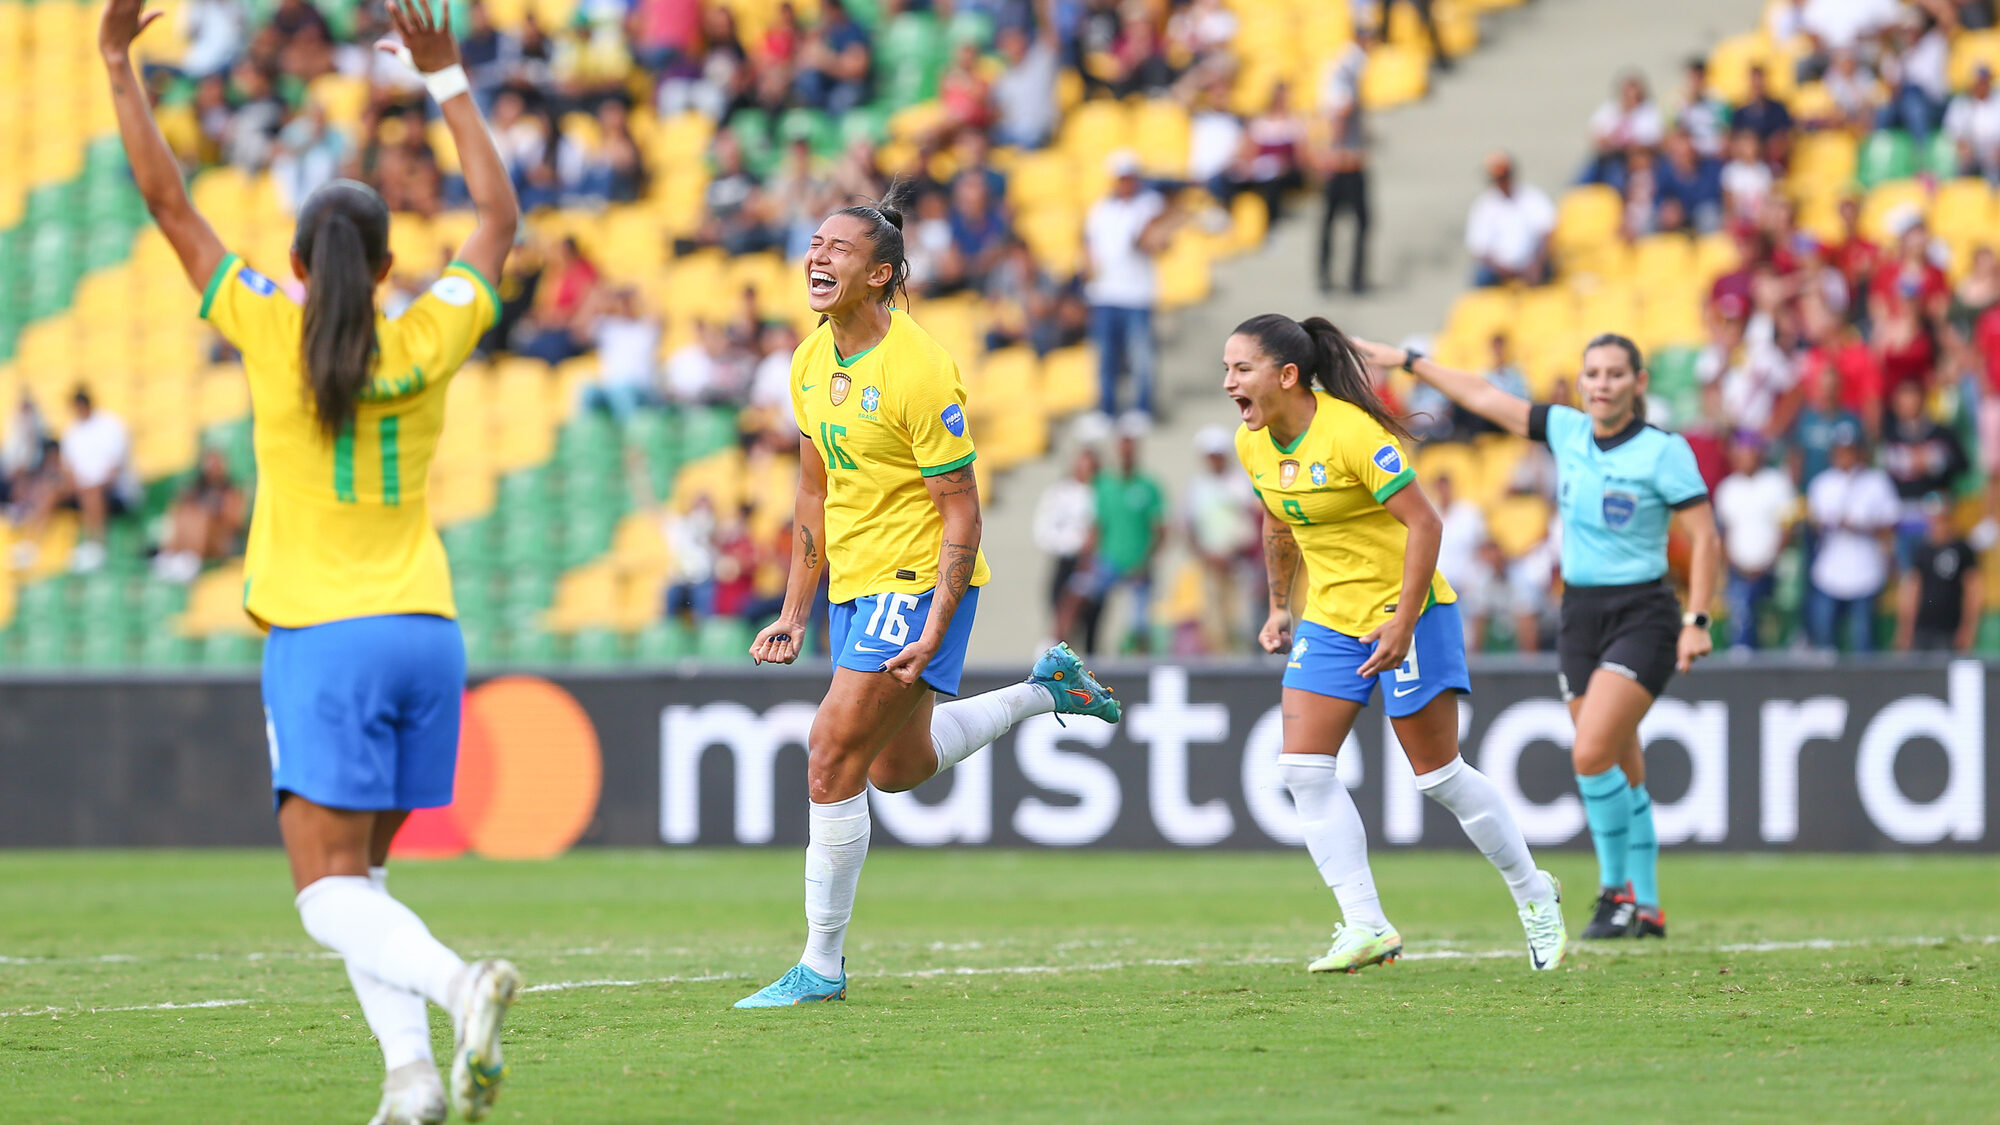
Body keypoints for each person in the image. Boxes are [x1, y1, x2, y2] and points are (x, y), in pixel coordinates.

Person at [100, 0, 523, 1120]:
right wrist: (444, 80)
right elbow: (497, 217)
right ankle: (411, 1082)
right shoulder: (428, 336)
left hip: (323, 640)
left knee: (323, 894)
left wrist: (111, 60)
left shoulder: (266, 329)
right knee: (365, 880)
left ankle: (459, 985)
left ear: (294, 262)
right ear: (388, 268)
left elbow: (167, 201)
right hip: (426, 635)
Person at [736, 187, 1122, 1009]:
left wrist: (938, 622)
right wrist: (795, 609)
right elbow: (812, 494)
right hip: (856, 584)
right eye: (813, 244)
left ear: (880, 275)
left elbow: (963, 509)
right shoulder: (808, 361)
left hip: (915, 580)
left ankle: (821, 966)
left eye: (837, 249)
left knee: (831, 751)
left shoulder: (917, 367)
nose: (817, 258)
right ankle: (1042, 690)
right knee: (898, 766)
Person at [1225, 313, 1566, 973]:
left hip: (1407, 611)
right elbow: (1277, 519)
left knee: (1439, 775)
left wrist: (1404, 620)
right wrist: (1276, 605)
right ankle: (1366, 924)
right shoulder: (1254, 443)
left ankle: (1534, 893)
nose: (1229, 382)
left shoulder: (1353, 432)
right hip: (1330, 619)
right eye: (1226, 369)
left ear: (1287, 375)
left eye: (1241, 368)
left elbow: (1425, 524)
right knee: (1302, 769)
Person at [1356, 332, 1721, 943]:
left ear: (1638, 384)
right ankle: (1649, 906)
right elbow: (1481, 394)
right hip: (1579, 614)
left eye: (1614, 374)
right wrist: (1411, 362)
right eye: (1592, 373)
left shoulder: (1664, 452)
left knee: (1590, 754)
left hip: (1645, 613)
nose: (1601, 384)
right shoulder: (1566, 431)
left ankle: (1615, 896)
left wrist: (1698, 620)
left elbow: (1706, 537)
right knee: (1619, 760)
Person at [1084, 151, 1188, 418]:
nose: (1126, 183)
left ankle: (1142, 408)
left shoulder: (1150, 204)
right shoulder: (1101, 209)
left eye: (1130, 178)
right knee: (1106, 358)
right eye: (1122, 178)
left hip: (1137, 294)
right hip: (1104, 293)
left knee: (1141, 357)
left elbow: (1156, 242)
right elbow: (1089, 247)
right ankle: (1107, 409)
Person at [1804, 425, 1899, 652]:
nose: (1845, 456)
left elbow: (1890, 525)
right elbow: (1813, 525)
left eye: (1850, 451)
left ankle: (1866, 688)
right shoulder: (1822, 483)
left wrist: (1860, 527)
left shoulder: (1877, 482)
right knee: (1824, 641)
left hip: (1865, 570)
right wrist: (1827, 524)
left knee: (1863, 641)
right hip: (1830, 570)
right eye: (1840, 451)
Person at [1082, 415, 1165, 655]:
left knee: (1140, 623)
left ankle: (1138, 665)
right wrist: (1091, 560)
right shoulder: (1105, 485)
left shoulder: (1148, 486)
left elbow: (1159, 530)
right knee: (1092, 610)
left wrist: (1146, 561)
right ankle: (1092, 657)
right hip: (1109, 561)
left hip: (1138, 563)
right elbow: (1098, 526)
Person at [1712, 432, 1797, 650]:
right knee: (1741, 601)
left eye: (1747, 452)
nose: (1742, 458)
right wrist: (1733, 562)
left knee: (1753, 602)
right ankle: (1742, 650)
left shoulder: (1776, 483)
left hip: (1772, 567)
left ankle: (1750, 649)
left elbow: (1787, 528)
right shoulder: (1728, 488)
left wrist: (1768, 562)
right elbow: (1724, 532)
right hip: (1738, 568)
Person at [1183, 425, 1259, 653]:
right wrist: (1206, 555)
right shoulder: (1197, 486)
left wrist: (1234, 552)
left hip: (1238, 562)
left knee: (1239, 618)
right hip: (1210, 563)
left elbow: (1252, 523)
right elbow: (1190, 526)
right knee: (1213, 621)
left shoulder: (1240, 482)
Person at [1314, 28, 1371, 295]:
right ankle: (1348, 278)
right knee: (1351, 223)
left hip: (1347, 160)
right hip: (1346, 162)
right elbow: (1342, 112)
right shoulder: (1346, 70)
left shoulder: (1342, 69)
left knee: (1334, 223)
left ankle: (1331, 277)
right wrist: (1332, 150)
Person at [1896, 495, 1983, 653]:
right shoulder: (1922, 550)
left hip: (1951, 629)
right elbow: (1913, 590)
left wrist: (1967, 629)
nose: (1938, 525)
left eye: (1942, 519)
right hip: (1923, 628)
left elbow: (1973, 591)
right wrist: (1906, 630)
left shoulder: (1961, 549)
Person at [1032, 446, 1099, 648]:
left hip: (1092, 564)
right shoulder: (1059, 494)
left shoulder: (1101, 493)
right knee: (1062, 620)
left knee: (1090, 628)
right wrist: (1077, 542)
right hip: (1066, 562)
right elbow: (1043, 532)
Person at [154, 447, 247, 583]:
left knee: (201, 519)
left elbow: (235, 523)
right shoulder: (196, 490)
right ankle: (171, 556)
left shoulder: (231, 492)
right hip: (191, 539)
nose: (212, 467)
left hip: (220, 542)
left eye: (216, 463)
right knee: (183, 513)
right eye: (209, 463)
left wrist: (213, 516)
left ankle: (190, 560)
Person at [1465, 151, 1554, 287]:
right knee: (1481, 278)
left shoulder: (1532, 198)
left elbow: (1547, 232)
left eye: (1504, 177)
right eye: (1497, 178)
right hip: (1498, 268)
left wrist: (1537, 263)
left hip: (1531, 263)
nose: (1502, 182)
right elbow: (1479, 248)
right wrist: (1503, 269)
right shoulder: (1484, 205)